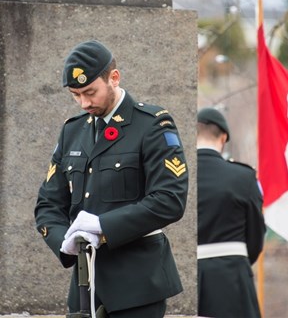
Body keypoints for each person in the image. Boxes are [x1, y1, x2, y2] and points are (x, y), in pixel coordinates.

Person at [34, 40, 188, 318]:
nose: (84, 103)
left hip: (137, 285)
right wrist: (65, 241)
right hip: (85, 288)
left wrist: (103, 226)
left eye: (90, 92)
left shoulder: (151, 123)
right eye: (75, 95)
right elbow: (48, 205)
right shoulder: (72, 132)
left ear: (113, 78)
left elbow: (170, 200)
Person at [197, 107, 266, 318]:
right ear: (224, 137)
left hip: (184, 277)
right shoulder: (243, 176)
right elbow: (255, 237)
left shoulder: (178, 176)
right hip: (232, 277)